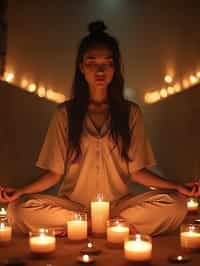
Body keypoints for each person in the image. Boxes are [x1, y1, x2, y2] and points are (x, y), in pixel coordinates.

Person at [1, 21, 200, 236]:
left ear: (115, 69)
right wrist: (21, 191)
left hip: (120, 206)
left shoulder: (130, 113)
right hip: (73, 207)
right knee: (17, 210)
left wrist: (175, 186)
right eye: (92, 62)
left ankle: (90, 227)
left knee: (177, 204)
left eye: (107, 62)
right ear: (81, 67)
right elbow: (53, 174)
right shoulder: (65, 113)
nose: (100, 69)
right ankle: (101, 226)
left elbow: (137, 172)